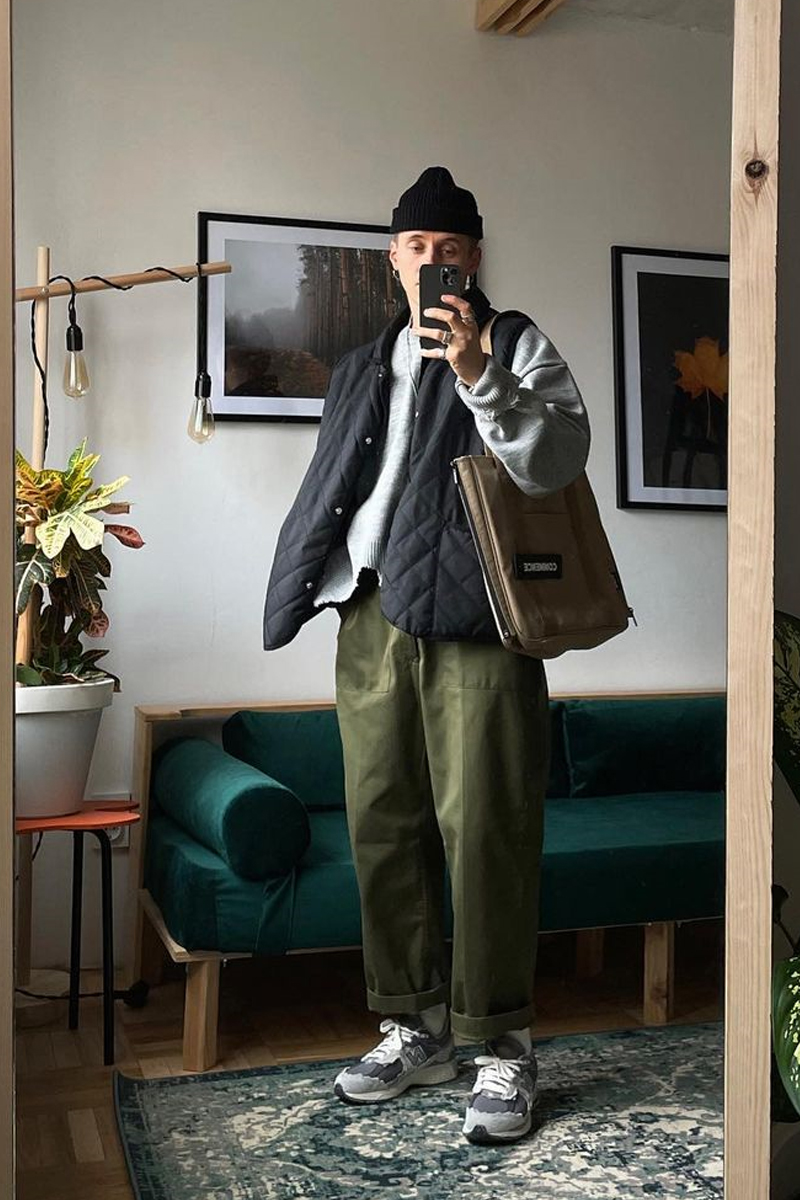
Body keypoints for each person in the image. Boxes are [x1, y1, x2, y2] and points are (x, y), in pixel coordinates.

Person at [263, 166, 590, 1144]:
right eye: (416, 247)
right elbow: (336, 479)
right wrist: (307, 578)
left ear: (473, 258)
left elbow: (557, 461)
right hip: (368, 610)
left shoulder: (514, 341)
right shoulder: (363, 362)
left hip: (479, 618)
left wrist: (480, 374)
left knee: (487, 824)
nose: (432, 260)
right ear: (393, 259)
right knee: (381, 822)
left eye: (449, 248)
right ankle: (415, 1027)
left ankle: (502, 1043)